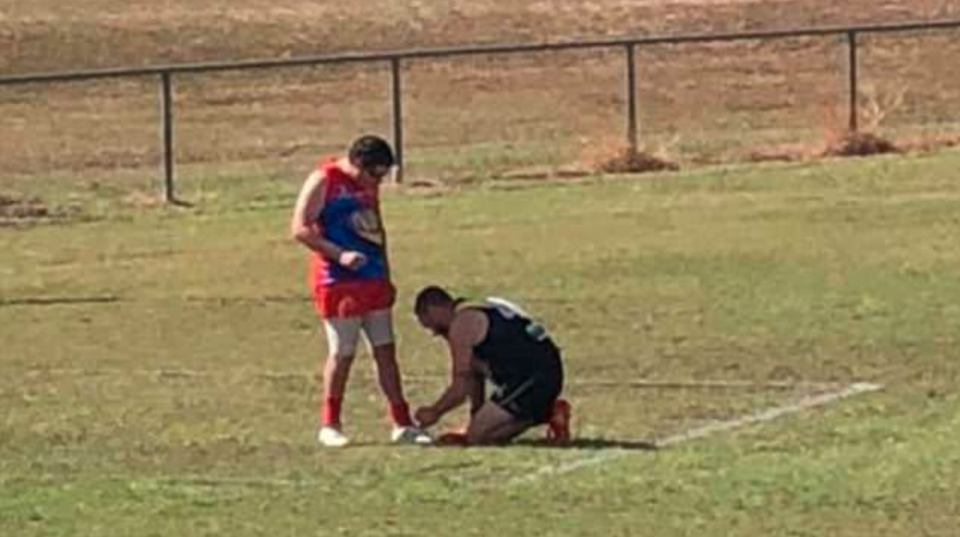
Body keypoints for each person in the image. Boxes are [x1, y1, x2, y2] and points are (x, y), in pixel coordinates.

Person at [290, 135, 430, 447]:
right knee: (343, 352)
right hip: (338, 279)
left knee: (386, 350)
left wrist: (386, 273)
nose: (376, 182)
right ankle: (330, 423)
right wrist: (340, 254)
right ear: (356, 164)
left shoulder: (370, 184)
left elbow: (376, 228)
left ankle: (402, 422)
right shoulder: (325, 179)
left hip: (372, 275)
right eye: (373, 174)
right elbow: (300, 228)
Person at [412, 286, 571, 446]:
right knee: (478, 433)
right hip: (545, 368)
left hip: (531, 377)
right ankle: (544, 411)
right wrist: (476, 415)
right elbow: (472, 375)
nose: (435, 332)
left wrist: (435, 411)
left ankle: (549, 413)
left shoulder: (462, 324)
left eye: (432, 325)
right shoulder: (476, 308)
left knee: (478, 438)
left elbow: (460, 387)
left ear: (434, 309)